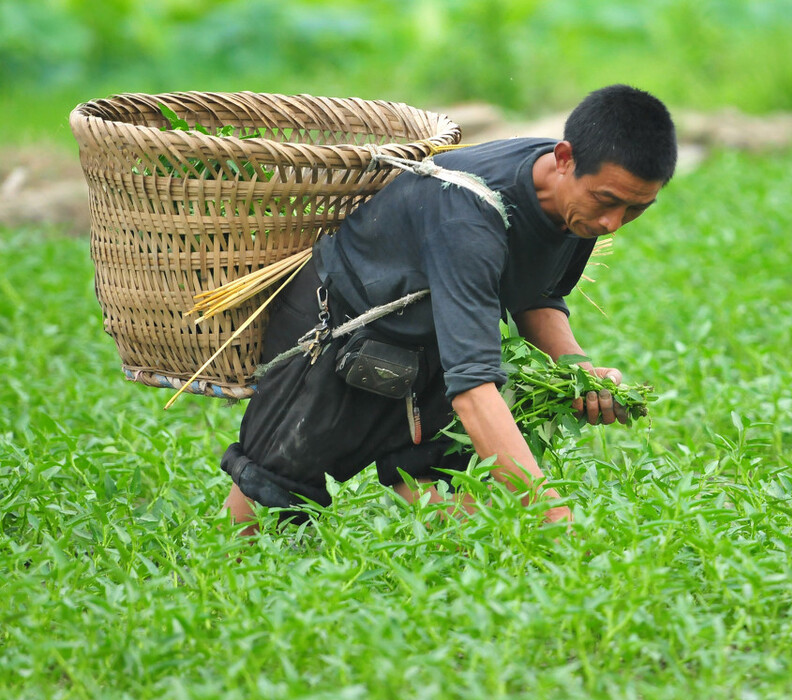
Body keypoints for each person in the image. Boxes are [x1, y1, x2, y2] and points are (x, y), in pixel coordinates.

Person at [220, 84, 677, 528]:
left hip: (431, 337)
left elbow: (538, 290)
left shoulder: (580, 203)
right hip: (339, 327)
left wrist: (576, 367)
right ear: (564, 158)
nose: (612, 223)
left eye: (636, 209)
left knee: (448, 488)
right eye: (607, 202)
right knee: (270, 488)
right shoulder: (469, 216)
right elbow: (475, 390)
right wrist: (551, 514)